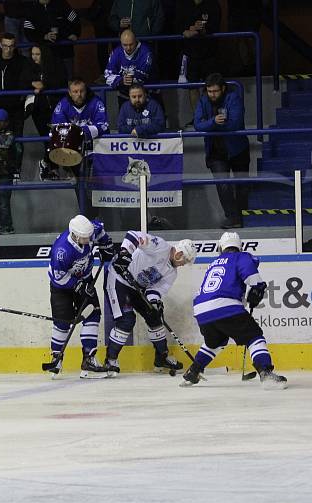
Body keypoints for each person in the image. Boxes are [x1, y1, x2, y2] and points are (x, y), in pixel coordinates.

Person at [181, 232, 288, 389]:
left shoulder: (213, 263)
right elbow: (251, 275)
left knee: (214, 342)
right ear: (240, 247)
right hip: (224, 305)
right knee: (254, 336)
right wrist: (258, 288)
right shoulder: (241, 256)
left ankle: (193, 372)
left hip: (201, 310)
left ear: (220, 247)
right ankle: (265, 372)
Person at [104, 231, 196, 376]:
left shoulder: (172, 273)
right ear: (178, 254)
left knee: (155, 317)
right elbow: (133, 235)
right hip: (119, 279)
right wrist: (124, 253)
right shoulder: (160, 246)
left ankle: (161, 358)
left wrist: (155, 303)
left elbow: (155, 289)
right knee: (126, 320)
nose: (183, 265)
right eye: (184, 261)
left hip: (136, 287)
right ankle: (110, 361)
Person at [43, 215, 114, 377]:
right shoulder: (61, 251)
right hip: (62, 288)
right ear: (74, 235)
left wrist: (106, 244)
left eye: (89, 236)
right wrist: (78, 286)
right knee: (62, 323)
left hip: (85, 279)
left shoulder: (89, 231)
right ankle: (56, 357)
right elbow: (58, 277)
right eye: (84, 237)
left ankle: (88, 358)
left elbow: (100, 230)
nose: (88, 239)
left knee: (93, 315)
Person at [194, 72, 249, 229]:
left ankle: (243, 216)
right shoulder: (203, 100)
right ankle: (232, 217)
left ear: (223, 89)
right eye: (209, 91)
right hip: (216, 152)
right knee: (222, 184)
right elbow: (198, 124)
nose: (212, 95)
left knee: (242, 185)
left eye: (215, 91)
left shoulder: (233, 98)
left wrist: (211, 125)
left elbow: (235, 123)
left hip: (238, 149)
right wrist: (214, 121)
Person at [48, 78, 109, 214]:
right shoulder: (63, 105)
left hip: (94, 151)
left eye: (81, 91)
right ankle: (86, 219)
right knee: (79, 189)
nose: (79, 94)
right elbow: (58, 128)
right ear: (69, 93)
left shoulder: (96, 102)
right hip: (72, 154)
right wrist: (79, 132)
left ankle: (94, 219)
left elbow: (103, 126)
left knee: (92, 189)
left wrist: (78, 132)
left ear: (86, 91)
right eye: (75, 91)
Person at [0, 32, 35, 175]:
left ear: (15, 46)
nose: (8, 49)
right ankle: (1, 169)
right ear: (0, 45)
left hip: (17, 107)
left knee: (17, 139)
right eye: (5, 46)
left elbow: (29, 82)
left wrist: (22, 98)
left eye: (11, 46)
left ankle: (16, 170)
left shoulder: (23, 62)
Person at [23, 0, 81, 79]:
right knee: (46, 83)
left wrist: (67, 34)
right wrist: (44, 36)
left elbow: (76, 22)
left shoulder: (62, 4)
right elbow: (28, 33)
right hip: (44, 55)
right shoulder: (32, 8)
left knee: (68, 81)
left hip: (65, 52)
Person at [104, 29, 157, 106]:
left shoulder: (146, 52)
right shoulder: (116, 52)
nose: (128, 48)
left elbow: (141, 78)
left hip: (147, 94)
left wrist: (125, 80)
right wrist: (121, 80)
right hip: (125, 95)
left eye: (131, 44)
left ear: (136, 40)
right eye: (125, 45)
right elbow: (107, 76)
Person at [25, 43, 67, 139]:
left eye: (37, 54)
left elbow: (61, 81)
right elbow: (22, 81)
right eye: (33, 54)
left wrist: (44, 85)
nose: (34, 57)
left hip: (56, 106)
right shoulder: (28, 65)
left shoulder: (56, 64)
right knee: (45, 136)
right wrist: (32, 84)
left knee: (59, 136)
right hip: (38, 108)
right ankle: (47, 153)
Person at [176, 0, 221, 83]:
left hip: (209, 53)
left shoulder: (213, 5)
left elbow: (215, 26)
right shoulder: (182, 4)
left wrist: (203, 30)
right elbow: (177, 24)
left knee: (210, 86)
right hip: (189, 53)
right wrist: (185, 30)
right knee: (192, 87)